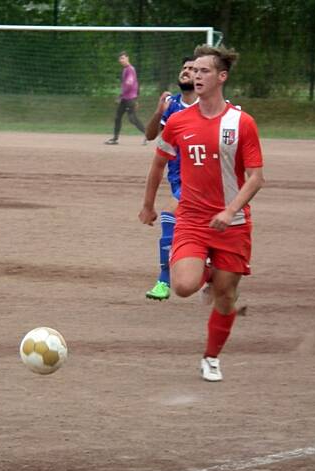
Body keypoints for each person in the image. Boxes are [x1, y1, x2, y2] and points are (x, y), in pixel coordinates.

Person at [139, 45, 265, 382]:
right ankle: (206, 271)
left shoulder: (242, 122)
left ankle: (211, 358)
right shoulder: (178, 121)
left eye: (204, 71)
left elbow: (256, 178)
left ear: (221, 77)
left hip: (233, 224)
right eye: (194, 70)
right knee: (182, 286)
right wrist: (148, 204)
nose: (196, 75)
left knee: (225, 297)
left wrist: (230, 210)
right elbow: (158, 163)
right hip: (192, 220)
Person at [144, 56, 198, 301]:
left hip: (201, 179)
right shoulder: (172, 106)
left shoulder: (211, 106)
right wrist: (158, 112)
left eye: (192, 69)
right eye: (184, 68)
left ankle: (164, 281)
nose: (186, 71)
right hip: (178, 179)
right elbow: (151, 135)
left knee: (170, 213)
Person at [105, 51, 146, 145]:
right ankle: (115, 139)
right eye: (120, 59)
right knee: (117, 117)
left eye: (123, 58)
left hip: (129, 99)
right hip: (125, 98)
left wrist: (122, 96)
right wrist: (122, 96)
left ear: (127, 58)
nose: (121, 60)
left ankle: (147, 134)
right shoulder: (125, 70)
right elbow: (135, 84)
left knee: (132, 118)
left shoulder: (130, 69)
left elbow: (129, 84)